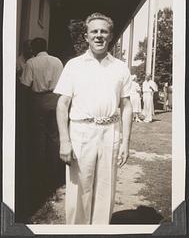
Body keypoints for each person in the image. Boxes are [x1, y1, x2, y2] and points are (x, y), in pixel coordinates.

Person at [54, 12, 133, 224]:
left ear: (110, 36)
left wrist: (126, 142)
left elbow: (126, 105)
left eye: (103, 31)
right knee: (79, 188)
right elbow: (62, 105)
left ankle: (100, 230)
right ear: (87, 37)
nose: (99, 35)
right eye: (94, 31)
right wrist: (64, 140)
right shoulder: (74, 65)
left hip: (111, 132)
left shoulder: (120, 67)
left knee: (106, 187)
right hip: (81, 133)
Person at [20, 37, 63, 205]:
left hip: (38, 99)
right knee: (54, 135)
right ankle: (53, 168)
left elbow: (25, 85)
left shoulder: (31, 63)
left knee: (39, 134)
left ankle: (40, 169)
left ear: (33, 48)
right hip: (55, 99)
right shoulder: (57, 61)